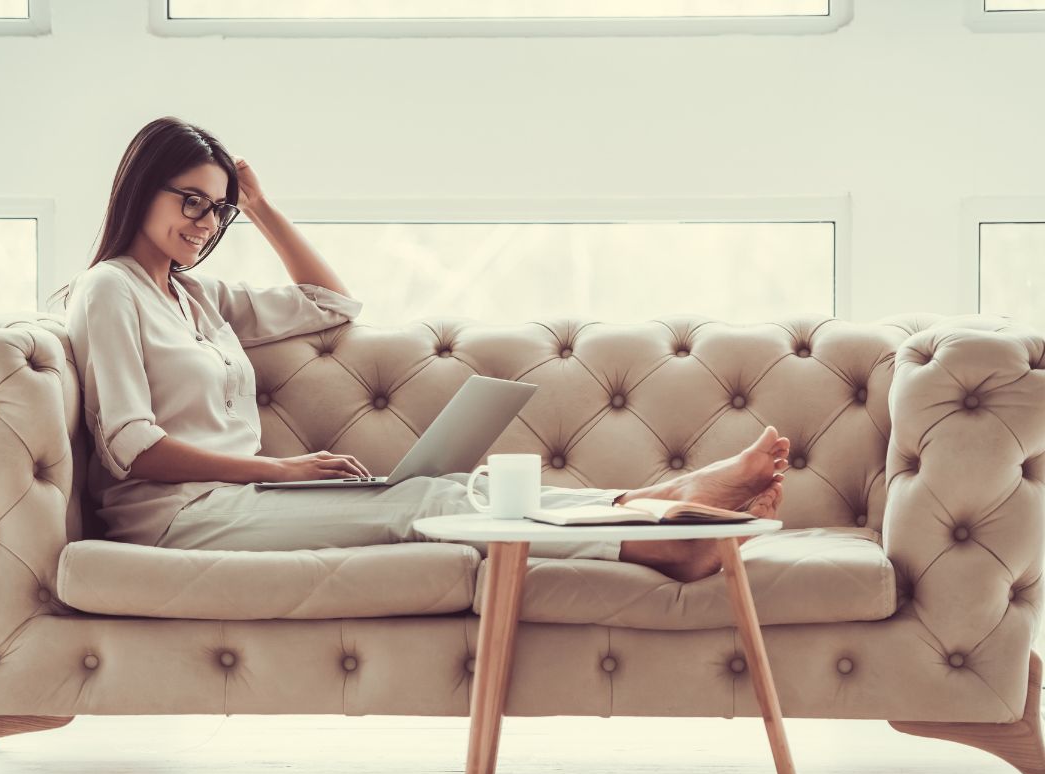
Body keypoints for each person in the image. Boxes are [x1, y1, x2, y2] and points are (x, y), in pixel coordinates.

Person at [51, 116, 788, 584]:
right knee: (428, 500)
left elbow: (329, 305)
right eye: (191, 202)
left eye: (219, 211)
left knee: (458, 489)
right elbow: (130, 447)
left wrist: (263, 209)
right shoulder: (110, 291)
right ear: (144, 188)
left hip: (243, 499)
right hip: (181, 517)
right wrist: (279, 470)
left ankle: (654, 504)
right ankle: (659, 542)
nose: (206, 224)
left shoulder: (197, 297)